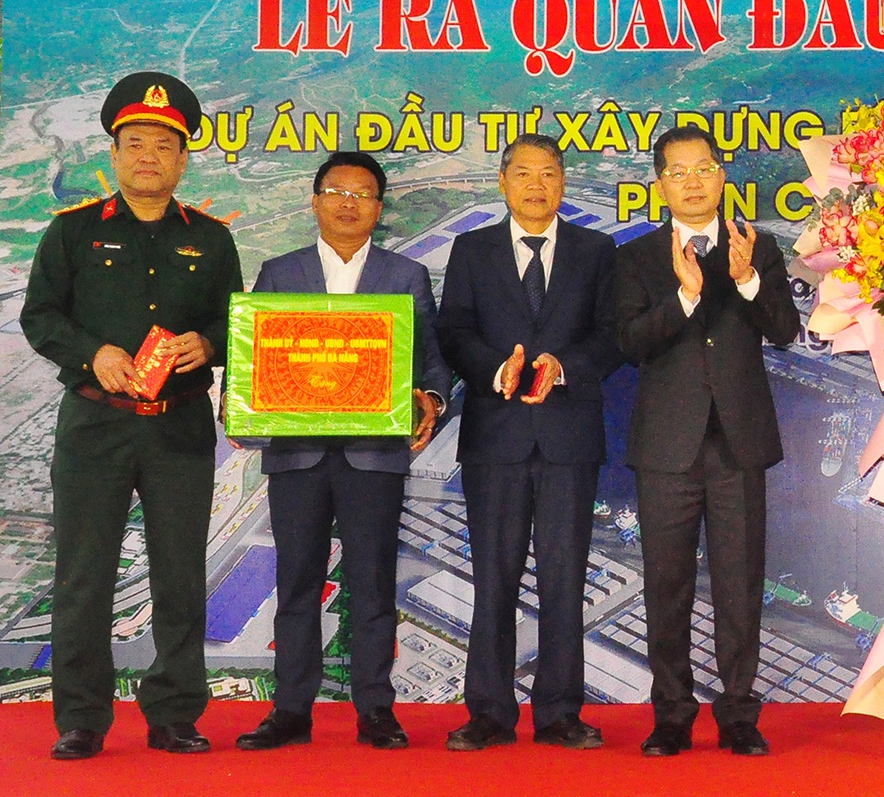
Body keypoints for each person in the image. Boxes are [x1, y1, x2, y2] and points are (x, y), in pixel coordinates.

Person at [23, 72, 243, 760]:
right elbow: (40, 316)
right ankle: (81, 716)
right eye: (135, 142)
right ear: (113, 155)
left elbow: (235, 321)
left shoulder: (210, 239)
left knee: (180, 573)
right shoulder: (73, 232)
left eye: (164, 144)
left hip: (178, 425)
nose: (148, 155)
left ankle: (175, 711)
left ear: (184, 160)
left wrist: (208, 342)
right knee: (83, 575)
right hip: (94, 425)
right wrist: (94, 353)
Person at [232, 152, 452, 752]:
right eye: (336, 191)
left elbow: (432, 359)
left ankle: (376, 709)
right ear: (315, 201)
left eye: (363, 194)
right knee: (296, 582)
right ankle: (290, 710)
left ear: (378, 209)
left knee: (373, 582)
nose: (349, 202)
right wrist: (242, 405)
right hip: (297, 455)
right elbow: (257, 360)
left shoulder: (404, 276)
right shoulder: (280, 272)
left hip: (373, 454)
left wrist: (430, 398)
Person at [614, 125, 800, 757]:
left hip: (738, 445)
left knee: (740, 583)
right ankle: (671, 714)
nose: (692, 181)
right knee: (666, 584)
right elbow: (630, 344)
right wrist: (686, 299)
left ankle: (739, 714)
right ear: (660, 185)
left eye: (704, 168)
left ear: (721, 177)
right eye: (677, 171)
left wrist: (746, 282)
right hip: (667, 447)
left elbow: (783, 330)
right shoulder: (636, 257)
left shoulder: (758, 245)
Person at [435, 134, 621, 751]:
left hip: (568, 437)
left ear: (563, 183)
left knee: (565, 579)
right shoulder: (472, 248)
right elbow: (453, 330)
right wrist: (496, 369)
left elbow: (611, 336)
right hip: (496, 436)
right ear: (503, 182)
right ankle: (488, 712)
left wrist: (562, 368)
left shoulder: (596, 250)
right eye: (523, 174)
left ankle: (560, 712)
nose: (536, 185)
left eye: (548, 174)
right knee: (493, 577)